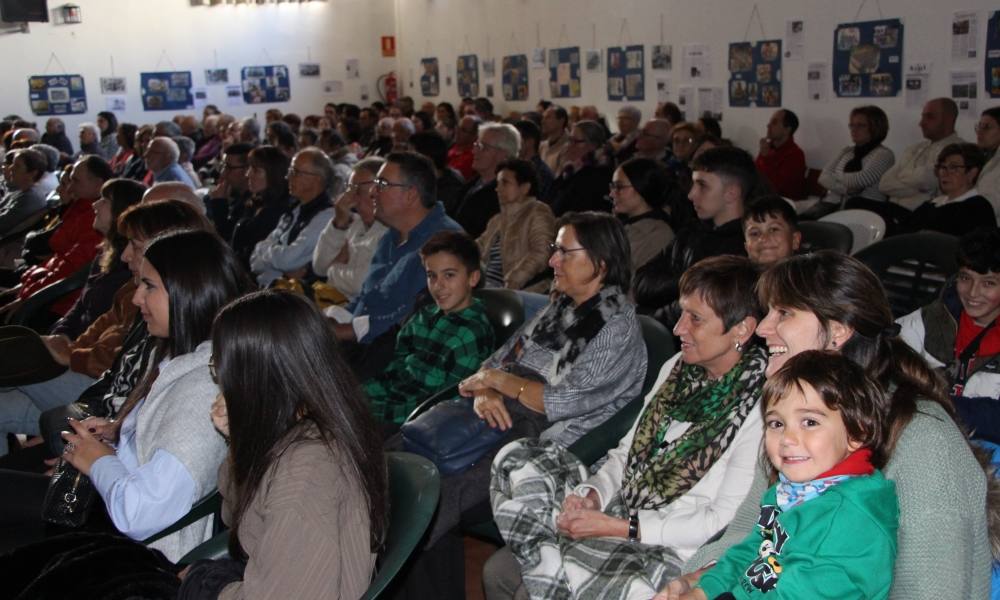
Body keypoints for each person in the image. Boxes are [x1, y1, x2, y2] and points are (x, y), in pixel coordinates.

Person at [674, 251, 990, 599]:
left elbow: (933, 591)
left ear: (837, 330)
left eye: (784, 313)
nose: (762, 328)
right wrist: (697, 583)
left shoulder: (924, 440)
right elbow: (746, 534)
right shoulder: (797, 419)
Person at [487, 255, 767, 600]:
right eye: (682, 313)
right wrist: (592, 495)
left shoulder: (762, 405)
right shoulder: (678, 368)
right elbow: (625, 453)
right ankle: (554, 565)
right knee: (517, 463)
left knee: (516, 578)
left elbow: (720, 521)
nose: (679, 328)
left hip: (668, 543)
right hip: (623, 506)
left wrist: (620, 528)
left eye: (695, 319)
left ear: (742, 328)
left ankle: (550, 563)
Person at [398, 211, 647, 598]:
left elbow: (558, 401)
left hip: (546, 446)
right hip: (496, 420)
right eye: (554, 251)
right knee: (407, 466)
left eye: (564, 252)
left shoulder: (617, 329)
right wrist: (485, 392)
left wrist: (499, 382)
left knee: (428, 498)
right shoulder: (558, 308)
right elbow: (493, 363)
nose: (552, 261)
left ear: (600, 262)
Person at [0, 230, 253, 561]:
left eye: (149, 286)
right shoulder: (181, 357)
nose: (136, 298)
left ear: (188, 292)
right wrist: (115, 435)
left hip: (124, 550)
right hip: (105, 513)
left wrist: (97, 461)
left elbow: (140, 513)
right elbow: (154, 452)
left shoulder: (202, 390)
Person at [176, 291, 388, 598]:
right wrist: (238, 442)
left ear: (255, 376)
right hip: (267, 573)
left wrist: (204, 587)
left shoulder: (306, 471)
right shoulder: (304, 423)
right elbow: (241, 516)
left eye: (220, 367)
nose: (220, 380)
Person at [664, 351, 898, 600]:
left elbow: (799, 594)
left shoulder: (849, 517)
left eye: (809, 422)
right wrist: (704, 591)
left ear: (856, 434)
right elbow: (750, 551)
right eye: (776, 424)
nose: (787, 439)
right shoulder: (787, 493)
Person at [329, 151, 462, 352]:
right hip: (360, 341)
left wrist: (342, 331)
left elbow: (407, 321)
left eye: (382, 185)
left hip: (395, 355)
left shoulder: (445, 243)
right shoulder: (391, 236)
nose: (372, 192)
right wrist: (335, 318)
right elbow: (367, 297)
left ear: (410, 195)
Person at [363, 231, 494, 430]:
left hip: (408, 422)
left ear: (473, 278)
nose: (438, 286)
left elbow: (444, 405)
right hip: (387, 401)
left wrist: (370, 409)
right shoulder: (424, 316)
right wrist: (360, 395)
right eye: (431, 276)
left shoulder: (471, 335)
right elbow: (396, 368)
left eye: (449, 275)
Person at [898, 228, 1000, 443]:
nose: (973, 293)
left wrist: (933, 404)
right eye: (965, 278)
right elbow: (880, 364)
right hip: (921, 436)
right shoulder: (931, 320)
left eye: (989, 283)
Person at [633, 147, 755, 326]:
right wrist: (690, 278)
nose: (691, 195)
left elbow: (688, 313)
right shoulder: (691, 230)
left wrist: (674, 281)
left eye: (702, 186)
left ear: (731, 193)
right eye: (693, 184)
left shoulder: (743, 246)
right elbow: (641, 283)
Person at [250, 148, 335, 287]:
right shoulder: (294, 210)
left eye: (295, 172)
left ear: (316, 179)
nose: (288, 177)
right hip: (268, 288)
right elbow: (254, 261)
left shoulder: (326, 216)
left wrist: (263, 249)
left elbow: (288, 260)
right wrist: (266, 251)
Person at [311, 157, 388, 301]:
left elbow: (362, 283)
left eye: (357, 190)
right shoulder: (351, 222)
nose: (350, 198)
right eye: (349, 189)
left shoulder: (390, 231)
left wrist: (334, 269)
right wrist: (339, 224)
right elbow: (319, 267)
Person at [476, 158, 555, 291]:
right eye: (497, 183)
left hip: (523, 291)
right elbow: (478, 246)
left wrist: (513, 280)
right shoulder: (497, 220)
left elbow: (542, 253)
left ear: (525, 188)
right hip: (488, 287)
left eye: (505, 183)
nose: (497, 189)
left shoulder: (538, 212)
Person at [879, 98, 965, 212]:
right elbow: (884, 184)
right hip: (893, 209)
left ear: (948, 120)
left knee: (857, 204)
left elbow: (928, 179)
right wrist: (918, 189)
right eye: (923, 117)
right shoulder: (914, 148)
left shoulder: (957, 150)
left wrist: (901, 178)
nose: (921, 123)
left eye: (929, 117)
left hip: (919, 214)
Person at [813, 105, 895, 216]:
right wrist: (845, 189)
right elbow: (823, 177)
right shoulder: (847, 151)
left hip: (867, 211)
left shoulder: (884, 154)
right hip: (836, 206)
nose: (854, 130)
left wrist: (835, 176)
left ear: (875, 127)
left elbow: (861, 180)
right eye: (852, 125)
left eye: (861, 126)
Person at [903, 143, 994, 236]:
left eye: (953, 168)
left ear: (972, 173)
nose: (945, 173)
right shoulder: (931, 205)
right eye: (942, 167)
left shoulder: (978, 208)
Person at [452, 123, 521, 237]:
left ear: (503, 155)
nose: (474, 151)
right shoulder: (472, 184)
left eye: (483, 147)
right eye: (476, 145)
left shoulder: (504, 196)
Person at [610, 157, 675, 273]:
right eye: (612, 186)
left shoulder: (658, 235)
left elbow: (642, 286)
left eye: (619, 187)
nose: (612, 194)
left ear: (642, 187)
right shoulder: (617, 224)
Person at [230, 145, 291, 267]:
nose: (248, 174)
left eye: (256, 170)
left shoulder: (277, 211)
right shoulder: (255, 201)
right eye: (249, 168)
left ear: (273, 174)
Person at [548, 120, 614, 216]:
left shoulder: (599, 173)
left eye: (576, 141)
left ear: (593, 145)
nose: (569, 146)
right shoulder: (571, 169)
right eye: (569, 140)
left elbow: (578, 210)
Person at [755, 109, 807, 200]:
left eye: (774, 122)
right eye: (770, 122)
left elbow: (775, 187)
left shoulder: (795, 154)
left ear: (787, 130)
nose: (768, 125)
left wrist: (765, 157)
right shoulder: (769, 148)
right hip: (764, 198)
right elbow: (754, 174)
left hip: (783, 203)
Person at [742, 195, 801, 267]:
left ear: (795, 240)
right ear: (746, 247)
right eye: (754, 233)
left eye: (773, 229)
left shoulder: (810, 276)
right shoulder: (735, 277)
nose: (763, 238)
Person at [0, 148, 48, 237]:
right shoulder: (19, 191)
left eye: (17, 166)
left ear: (32, 173)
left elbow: (2, 224)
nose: (11, 167)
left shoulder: (30, 198)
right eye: (12, 163)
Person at [975, 107, 1000, 220]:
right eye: (979, 126)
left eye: (987, 127)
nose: (980, 131)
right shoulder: (982, 156)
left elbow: (992, 203)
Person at [539, 106, 570, 174]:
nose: (543, 121)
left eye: (548, 117)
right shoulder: (542, 146)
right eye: (543, 118)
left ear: (561, 121)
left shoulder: (570, 146)